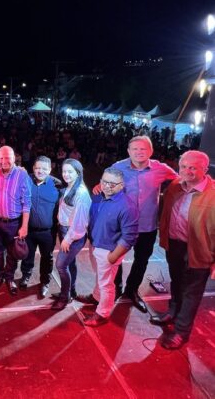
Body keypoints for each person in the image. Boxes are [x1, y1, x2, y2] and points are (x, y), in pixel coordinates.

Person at [97, 135, 177, 313]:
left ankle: (131, 290)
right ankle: (115, 289)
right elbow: (105, 184)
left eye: (143, 149)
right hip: (121, 226)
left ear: (151, 151)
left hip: (147, 226)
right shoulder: (117, 167)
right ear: (128, 151)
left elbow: (181, 179)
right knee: (115, 259)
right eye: (135, 149)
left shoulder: (160, 169)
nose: (139, 152)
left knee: (141, 261)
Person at [151, 150, 214, 350]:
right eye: (184, 166)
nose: (187, 171)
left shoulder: (213, 195)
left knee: (192, 292)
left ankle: (181, 331)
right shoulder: (175, 185)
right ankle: (173, 311)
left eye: (193, 167)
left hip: (200, 251)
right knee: (176, 282)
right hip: (175, 245)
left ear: (205, 169)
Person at [79, 168, 139, 326]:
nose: (107, 186)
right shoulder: (98, 197)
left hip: (109, 250)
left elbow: (129, 237)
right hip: (95, 244)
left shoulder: (128, 207)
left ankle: (102, 313)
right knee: (100, 278)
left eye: (112, 184)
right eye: (104, 181)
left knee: (107, 284)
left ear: (121, 185)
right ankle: (96, 297)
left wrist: (113, 256)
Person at [0, 145, 31, 296]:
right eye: (1, 158)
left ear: (14, 158)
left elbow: (27, 203)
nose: (4, 161)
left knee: (12, 254)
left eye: (7, 157)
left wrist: (24, 226)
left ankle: (9, 278)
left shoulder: (22, 175)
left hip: (13, 223)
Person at [51, 158, 91, 310]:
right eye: (64, 171)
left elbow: (79, 224)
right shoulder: (70, 186)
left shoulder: (81, 193)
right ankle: (71, 291)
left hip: (72, 234)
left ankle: (65, 296)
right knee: (70, 263)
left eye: (70, 172)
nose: (66, 174)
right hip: (64, 230)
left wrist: (67, 239)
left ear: (78, 173)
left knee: (61, 265)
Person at [19, 156, 60, 298]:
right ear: (33, 168)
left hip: (47, 232)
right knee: (27, 255)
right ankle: (25, 275)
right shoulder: (25, 180)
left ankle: (45, 282)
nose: (40, 171)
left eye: (44, 168)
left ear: (50, 169)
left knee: (47, 258)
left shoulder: (57, 185)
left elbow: (76, 185)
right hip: (29, 230)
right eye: (37, 168)